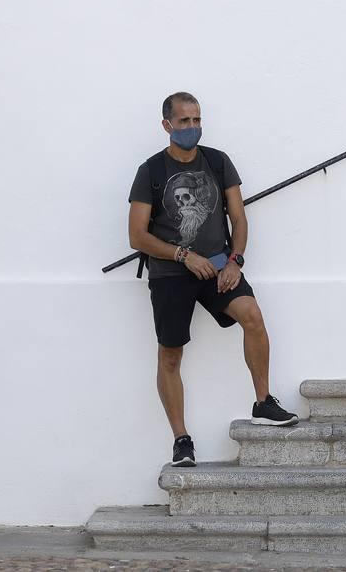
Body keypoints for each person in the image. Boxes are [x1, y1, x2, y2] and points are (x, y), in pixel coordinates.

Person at [128, 92, 298, 469]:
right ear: (167, 126)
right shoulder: (151, 171)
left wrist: (235, 261)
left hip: (219, 266)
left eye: (197, 120)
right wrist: (183, 255)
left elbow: (238, 218)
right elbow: (137, 236)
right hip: (172, 271)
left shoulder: (218, 162)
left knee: (252, 315)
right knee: (170, 353)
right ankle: (181, 440)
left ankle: (263, 402)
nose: (192, 128)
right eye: (184, 121)